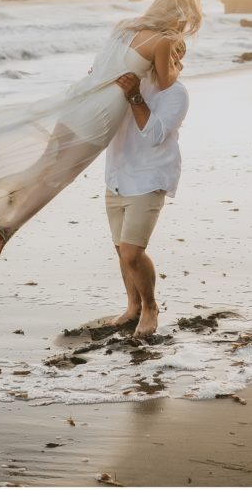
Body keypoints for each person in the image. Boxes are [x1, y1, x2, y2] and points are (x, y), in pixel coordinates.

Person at [0, 0, 203, 259]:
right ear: (181, 16)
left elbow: (101, 67)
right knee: (57, 177)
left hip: (80, 101)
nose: (184, 29)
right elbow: (166, 82)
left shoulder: (124, 26)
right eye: (187, 22)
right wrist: (176, 62)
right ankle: (4, 226)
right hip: (101, 115)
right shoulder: (163, 41)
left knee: (43, 165)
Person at [104, 39, 189, 339]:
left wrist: (134, 96)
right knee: (121, 249)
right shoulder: (128, 79)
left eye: (176, 52)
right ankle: (133, 306)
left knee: (132, 253)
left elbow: (154, 135)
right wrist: (100, 82)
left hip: (148, 179)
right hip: (116, 176)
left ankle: (150, 307)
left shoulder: (176, 93)